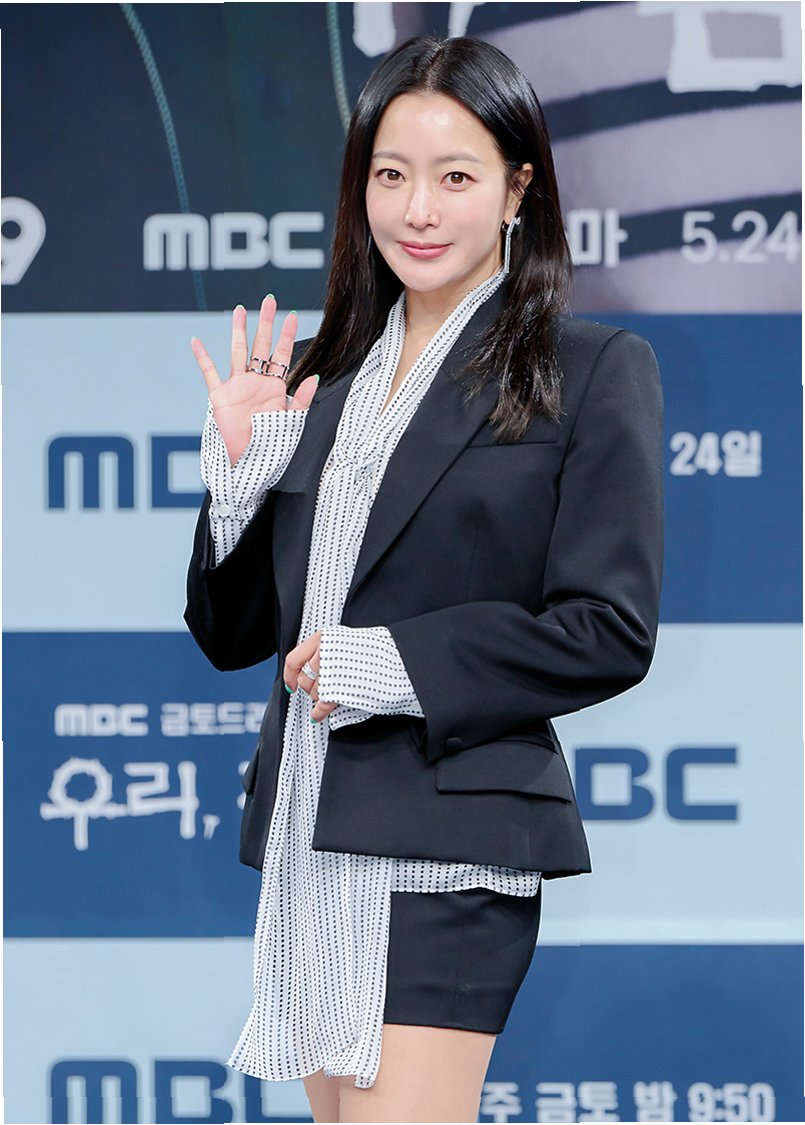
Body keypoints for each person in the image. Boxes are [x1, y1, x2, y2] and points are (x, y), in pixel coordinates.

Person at [184, 34, 664, 1125]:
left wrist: (394, 663)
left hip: (449, 845)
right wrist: (239, 480)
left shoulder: (589, 370)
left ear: (516, 189)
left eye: (455, 177)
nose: (417, 209)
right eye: (391, 174)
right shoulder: (322, 376)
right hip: (309, 837)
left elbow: (607, 627)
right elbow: (233, 633)